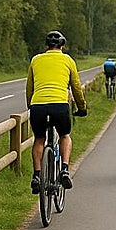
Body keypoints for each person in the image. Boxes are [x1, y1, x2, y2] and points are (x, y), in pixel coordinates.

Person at [26, 30, 87, 194]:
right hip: (59, 105)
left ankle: (37, 175)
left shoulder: (36, 60)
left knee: (39, 138)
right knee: (64, 136)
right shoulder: (68, 60)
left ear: (47, 45)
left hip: (38, 105)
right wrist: (82, 107)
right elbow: (76, 87)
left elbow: (29, 88)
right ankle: (65, 170)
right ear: (63, 46)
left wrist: (30, 106)